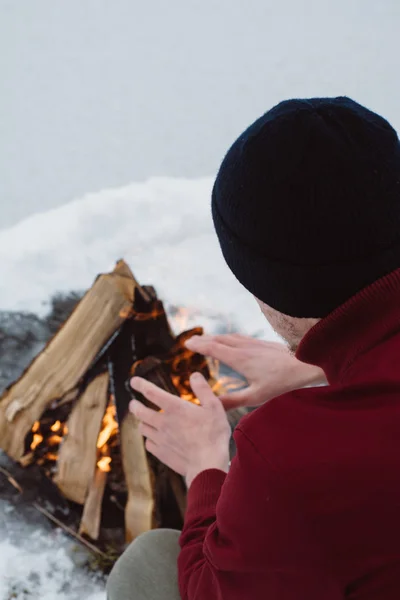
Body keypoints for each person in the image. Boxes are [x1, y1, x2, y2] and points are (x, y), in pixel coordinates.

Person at [106, 97, 400, 599]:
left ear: (281, 288)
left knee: (149, 566)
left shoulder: (296, 461)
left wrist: (206, 465)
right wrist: (322, 367)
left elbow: (213, 591)